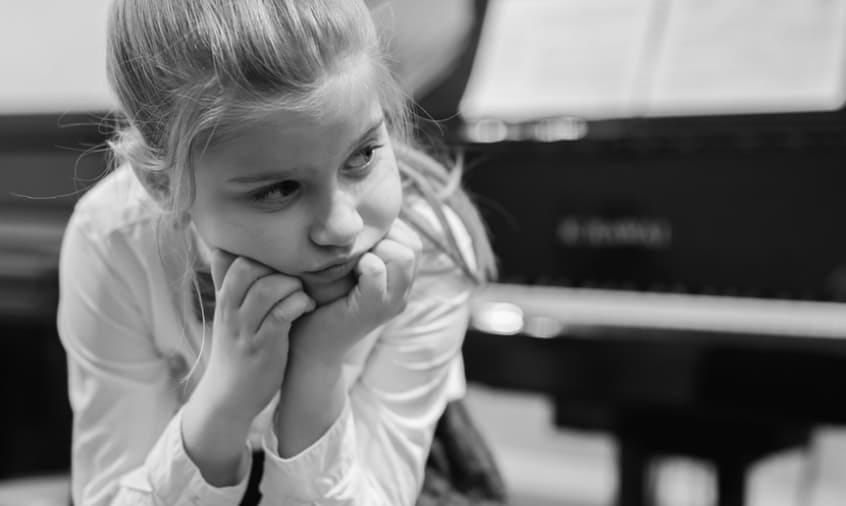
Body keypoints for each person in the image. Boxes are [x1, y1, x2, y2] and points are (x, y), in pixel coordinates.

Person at [57, 0, 503, 505]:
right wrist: (228, 395)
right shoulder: (114, 239)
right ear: (162, 184)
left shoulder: (427, 249)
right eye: (279, 190)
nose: (343, 226)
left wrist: (318, 365)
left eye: (361, 157)